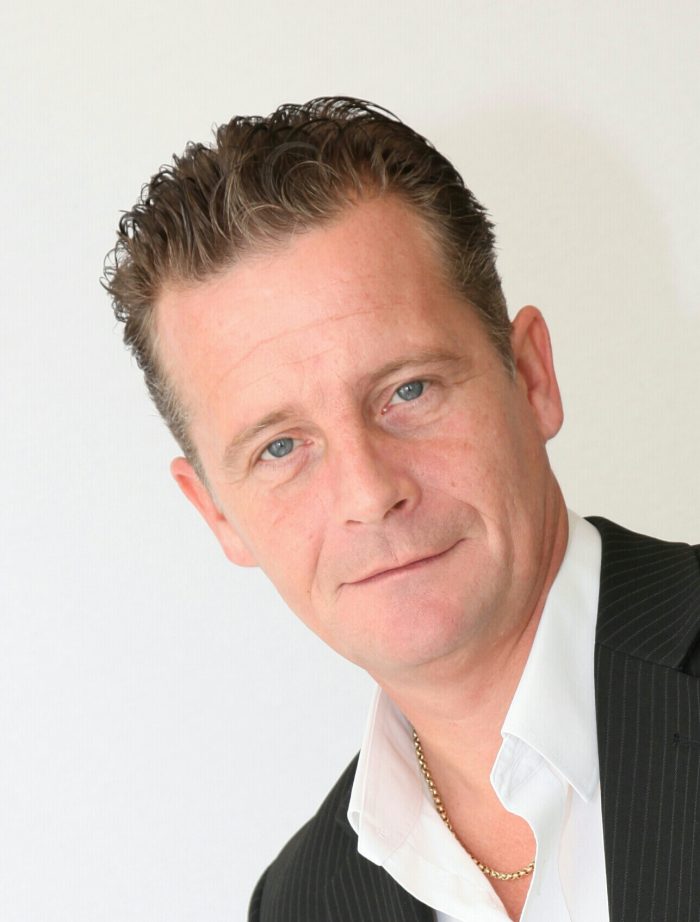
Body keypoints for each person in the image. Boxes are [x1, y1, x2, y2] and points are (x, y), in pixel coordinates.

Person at [103, 98, 700, 922]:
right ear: (218, 515)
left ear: (531, 378)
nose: (369, 492)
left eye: (408, 391)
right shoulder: (299, 906)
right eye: (281, 446)